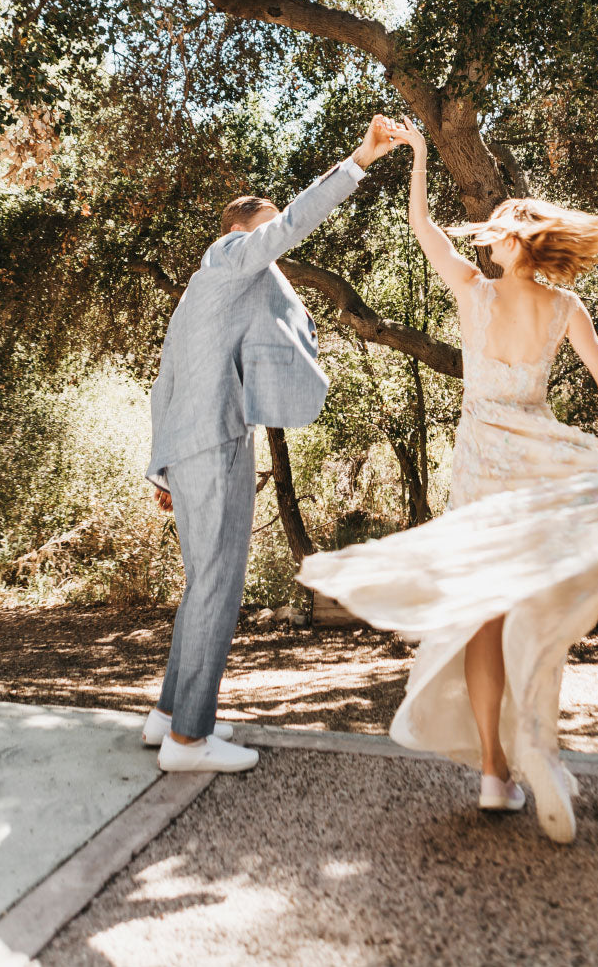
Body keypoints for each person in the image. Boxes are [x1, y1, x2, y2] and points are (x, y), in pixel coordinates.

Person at [300, 117, 598, 842]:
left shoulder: (474, 292)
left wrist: (414, 155)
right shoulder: (564, 307)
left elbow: (420, 226)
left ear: (516, 243)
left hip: (482, 461)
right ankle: (536, 746)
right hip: (537, 462)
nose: (487, 233)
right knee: (537, 613)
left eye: (499, 228)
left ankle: (492, 772)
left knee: (485, 613)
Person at [143, 114, 399, 774]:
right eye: (270, 233)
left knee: (203, 583)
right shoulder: (234, 256)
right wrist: (359, 162)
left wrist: (162, 470)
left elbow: (163, 383)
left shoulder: (198, 291)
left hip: (186, 448)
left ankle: (170, 716)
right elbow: (289, 226)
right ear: (251, 228)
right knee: (218, 588)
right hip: (219, 441)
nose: (276, 254)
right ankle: (189, 742)